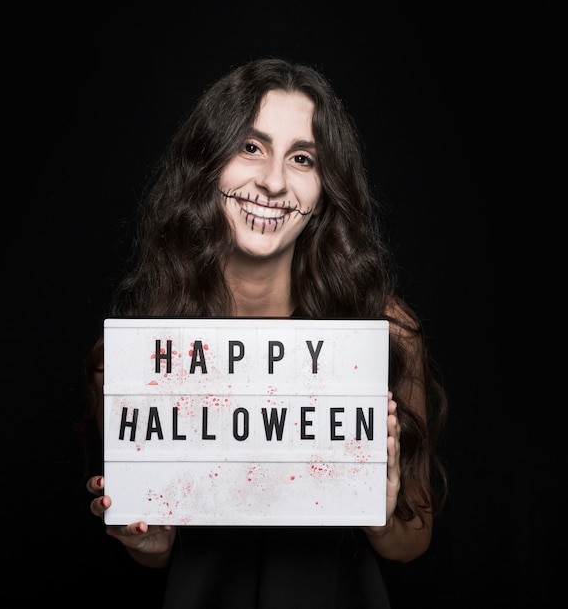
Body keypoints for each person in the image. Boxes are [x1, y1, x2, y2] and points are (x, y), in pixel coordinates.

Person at [82, 57, 448, 608]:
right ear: (208, 163)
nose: (273, 181)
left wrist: (382, 506)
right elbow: (151, 551)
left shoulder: (386, 335)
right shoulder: (141, 355)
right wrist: (149, 543)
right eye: (250, 147)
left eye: (302, 158)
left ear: (325, 190)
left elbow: (410, 543)